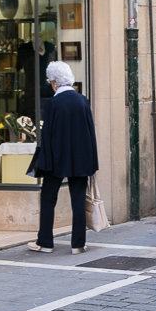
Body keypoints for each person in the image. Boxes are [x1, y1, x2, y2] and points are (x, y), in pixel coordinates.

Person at [28, 61, 98, 254]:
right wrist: (92, 162)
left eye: (50, 81)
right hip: (81, 160)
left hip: (57, 160)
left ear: (54, 82)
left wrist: (45, 162)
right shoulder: (82, 101)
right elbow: (90, 133)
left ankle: (45, 242)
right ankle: (78, 244)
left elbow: (47, 135)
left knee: (48, 198)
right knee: (78, 199)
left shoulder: (52, 104)